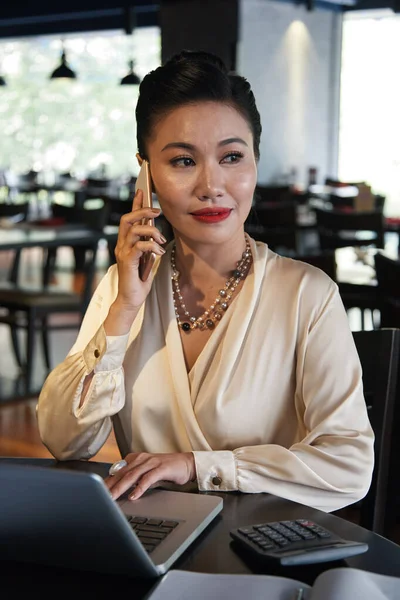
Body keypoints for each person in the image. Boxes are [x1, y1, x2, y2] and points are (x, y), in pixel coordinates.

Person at [36, 50, 374, 512]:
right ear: (146, 171)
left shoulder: (307, 295)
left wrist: (199, 465)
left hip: (262, 547)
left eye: (232, 156)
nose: (212, 185)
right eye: (182, 161)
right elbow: (64, 442)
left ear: (255, 159)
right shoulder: (123, 288)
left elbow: (351, 466)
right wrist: (123, 311)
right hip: (150, 544)